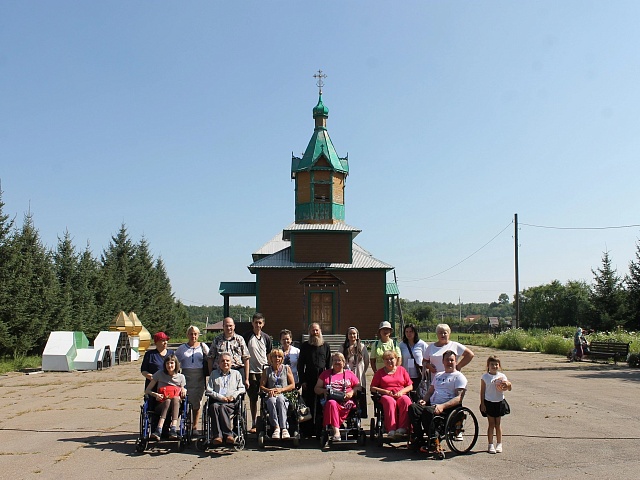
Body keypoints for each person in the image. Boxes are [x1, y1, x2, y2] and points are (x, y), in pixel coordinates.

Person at [409, 350, 467, 451]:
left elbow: (458, 398)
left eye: (451, 360)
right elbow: (430, 391)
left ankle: (433, 440)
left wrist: (442, 406)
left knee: (428, 411)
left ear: (456, 362)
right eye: (447, 360)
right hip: (432, 405)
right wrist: (424, 400)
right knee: (413, 408)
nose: (449, 362)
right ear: (443, 362)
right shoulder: (439, 375)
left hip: (448, 408)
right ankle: (419, 439)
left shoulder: (459, 377)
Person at [314, 352, 360, 442]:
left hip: (346, 401)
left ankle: (336, 426)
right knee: (331, 403)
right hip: (331, 401)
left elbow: (358, 386)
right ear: (332, 362)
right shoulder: (325, 374)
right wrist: (324, 391)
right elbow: (316, 388)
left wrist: (351, 392)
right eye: (335, 360)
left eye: (339, 360)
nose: (337, 362)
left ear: (344, 362)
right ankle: (336, 432)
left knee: (334, 404)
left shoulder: (349, 374)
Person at [205, 352, 246, 446]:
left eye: (227, 361)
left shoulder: (236, 374)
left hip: (231, 403)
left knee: (222, 408)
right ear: (219, 363)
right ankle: (218, 436)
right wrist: (220, 397)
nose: (225, 363)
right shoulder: (214, 374)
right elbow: (208, 390)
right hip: (217, 401)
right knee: (214, 407)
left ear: (231, 363)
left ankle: (228, 435)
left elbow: (242, 388)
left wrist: (233, 395)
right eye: (222, 361)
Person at [370, 350, 413, 438]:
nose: (389, 361)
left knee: (406, 400)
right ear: (383, 361)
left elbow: (410, 386)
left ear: (396, 359)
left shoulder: (402, 370)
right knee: (389, 401)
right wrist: (385, 392)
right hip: (386, 395)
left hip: (400, 394)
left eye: (391, 358)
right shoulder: (380, 373)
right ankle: (391, 429)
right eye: (386, 359)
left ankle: (402, 428)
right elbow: (372, 388)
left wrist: (401, 392)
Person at [175, 325, 209, 437]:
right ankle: (186, 426)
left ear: (198, 335)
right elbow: (175, 362)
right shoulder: (181, 348)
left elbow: (210, 360)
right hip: (186, 377)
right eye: (191, 333)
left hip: (199, 377)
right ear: (187, 335)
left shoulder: (203, 347)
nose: (193, 336)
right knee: (185, 402)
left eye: (195, 334)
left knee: (197, 403)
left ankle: (195, 427)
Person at [299, 323, 331, 437]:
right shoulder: (305, 346)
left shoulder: (326, 346)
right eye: (313, 330)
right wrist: (302, 381)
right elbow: (300, 365)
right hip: (309, 379)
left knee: (321, 405)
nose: (315, 332)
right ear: (309, 332)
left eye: (316, 330)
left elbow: (329, 365)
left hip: (322, 380)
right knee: (308, 405)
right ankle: (307, 431)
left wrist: (328, 382)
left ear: (320, 331)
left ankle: (320, 429)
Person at [144, 354, 187, 440]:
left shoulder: (181, 377)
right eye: (167, 363)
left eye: (172, 363)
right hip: (161, 404)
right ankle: (159, 429)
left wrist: (184, 390)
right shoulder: (160, 374)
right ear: (165, 365)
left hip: (176, 405)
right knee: (167, 401)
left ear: (176, 364)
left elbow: (183, 391)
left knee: (175, 398)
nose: (169, 365)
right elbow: (147, 390)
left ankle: (173, 428)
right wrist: (156, 394)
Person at [243, 313, 273, 433]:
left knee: (265, 397)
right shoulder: (246, 337)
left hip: (264, 371)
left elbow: (269, 354)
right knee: (253, 398)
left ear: (263, 324)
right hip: (251, 372)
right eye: (256, 322)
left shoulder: (266, 338)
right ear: (252, 323)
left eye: (260, 323)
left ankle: (264, 421)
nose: (258, 325)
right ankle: (254, 422)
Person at [260, 348, 296, 439]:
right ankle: (276, 428)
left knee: (280, 399)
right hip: (271, 395)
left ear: (282, 358)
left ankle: (284, 428)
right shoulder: (267, 370)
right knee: (271, 400)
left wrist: (282, 390)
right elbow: (261, 386)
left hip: (284, 395)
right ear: (271, 358)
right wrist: (269, 390)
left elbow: (292, 385)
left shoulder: (286, 369)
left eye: (279, 356)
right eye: (275, 356)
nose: (277, 358)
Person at [480, 355, 512, 454]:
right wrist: (482, 404)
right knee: (491, 424)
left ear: (499, 366)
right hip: (489, 402)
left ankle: (499, 444)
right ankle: (490, 444)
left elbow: (509, 387)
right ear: (488, 366)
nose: (494, 366)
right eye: (492, 364)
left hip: (499, 402)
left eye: (496, 364)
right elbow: (482, 391)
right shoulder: (485, 377)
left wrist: (507, 385)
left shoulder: (502, 376)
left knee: (498, 424)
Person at [207, 317, 250, 389]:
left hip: (237, 370)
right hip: (219, 371)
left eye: (230, 325)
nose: (228, 328)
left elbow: (246, 358)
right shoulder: (217, 339)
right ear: (223, 326)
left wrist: (246, 379)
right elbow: (210, 358)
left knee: (238, 395)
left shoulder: (240, 339)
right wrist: (211, 374)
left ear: (234, 326)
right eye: (226, 326)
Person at [341, 326, 369, 417]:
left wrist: (361, 371)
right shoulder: (343, 347)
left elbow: (366, 362)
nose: (352, 335)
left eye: (354, 334)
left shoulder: (362, 347)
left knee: (359, 399)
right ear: (347, 335)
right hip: (347, 377)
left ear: (357, 335)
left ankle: (359, 418)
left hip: (359, 375)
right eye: (350, 334)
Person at [399, 323, 429, 391]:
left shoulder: (422, 344)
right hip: (405, 376)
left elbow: (428, 358)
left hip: (418, 375)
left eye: (411, 331)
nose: (409, 334)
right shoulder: (401, 345)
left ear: (415, 332)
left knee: (418, 395)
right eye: (407, 332)